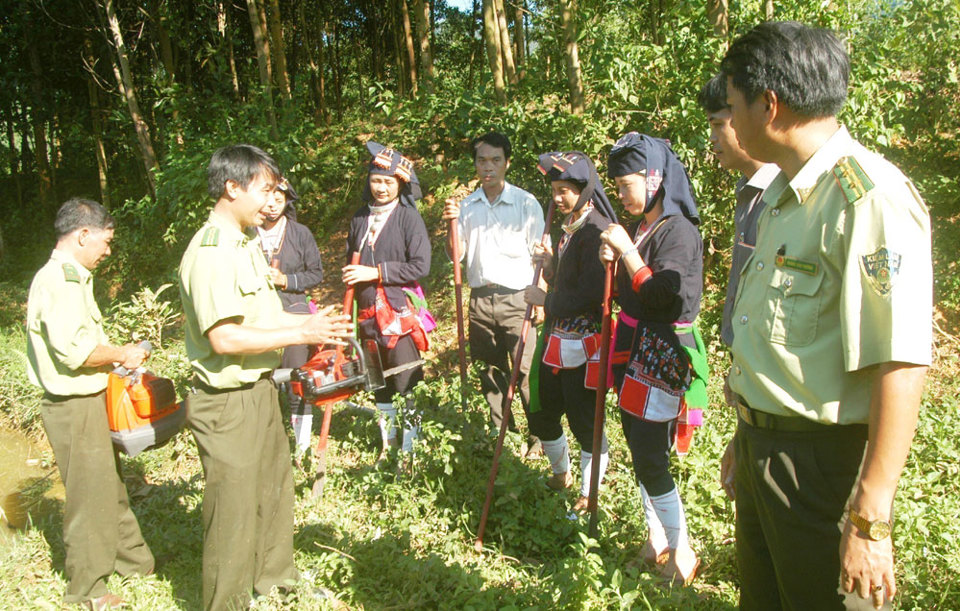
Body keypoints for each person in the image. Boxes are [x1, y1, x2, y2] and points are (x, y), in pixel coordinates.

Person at [720, 22, 931, 610]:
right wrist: (749, 432)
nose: (731, 125)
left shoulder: (867, 199)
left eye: (734, 108)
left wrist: (870, 517)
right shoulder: (784, 198)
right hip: (768, 456)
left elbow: (900, 359)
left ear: (770, 104)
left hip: (823, 468)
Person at [178, 144, 352, 610]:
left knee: (273, 488)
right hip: (225, 400)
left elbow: (267, 313)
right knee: (232, 507)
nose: (272, 200)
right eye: (265, 189)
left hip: (258, 390)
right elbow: (224, 338)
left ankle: (275, 579)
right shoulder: (213, 251)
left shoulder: (243, 243)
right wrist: (302, 328)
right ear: (232, 188)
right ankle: (227, 602)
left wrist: (318, 327)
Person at [26, 198, 154, 610]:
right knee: (87, 498)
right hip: (72, 407)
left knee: (109, 487)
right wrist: (123, 354)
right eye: (106, 240)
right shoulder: (59, 280)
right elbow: (76, 352)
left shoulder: (73, 277)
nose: (108, 250)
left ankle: (135, 563)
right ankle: (86, 590)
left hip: (87, 400)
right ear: (83, 234)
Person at [599, 132, 707, 585]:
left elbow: (665, 295)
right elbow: (634, 288)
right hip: (636, 349)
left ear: (655, 178)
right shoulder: (647, 227)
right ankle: (657, 537)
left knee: (650, 455)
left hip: (663, 355)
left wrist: (625, 252)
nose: (621, 195)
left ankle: (682, 550)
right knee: (641, 449)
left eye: (627, 185)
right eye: (618, 186)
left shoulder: (678, 231)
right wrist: (616, 257)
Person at [697, 73, 780, 499]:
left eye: (718, 123)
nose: (712, 137)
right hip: (753, 400)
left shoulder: (787, 196)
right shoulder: (747, 192)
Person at [522, 151, 617, 511]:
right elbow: (565, 282)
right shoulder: (572, 225)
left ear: (585, 189)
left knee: (583, 419)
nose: (557, 198)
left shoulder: (595, 230)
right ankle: (560, 473)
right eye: (554, 190)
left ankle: (589, 493)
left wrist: (545, 301)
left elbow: (590, 294)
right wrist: (548, 266)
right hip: (557, 338)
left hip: (585, 342)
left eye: (565, 190)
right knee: (543, 409)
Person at [442, 131, 545, 455]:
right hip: (481, 301)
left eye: (495, 160)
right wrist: (450, 223)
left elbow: (540, 252)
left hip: (518, 299)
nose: (488, 167)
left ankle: (541, 437)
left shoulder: (526, 203)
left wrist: (541, 292)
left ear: (507, 163)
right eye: (482, 160)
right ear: (475, 164)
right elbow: (455, 255)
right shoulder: (466, 207)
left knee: (525, 371)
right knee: (489, 372)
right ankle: (504, 436)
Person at [343, 142, 431, 457]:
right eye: (376, 181)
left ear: (400, 184)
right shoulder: (359, 217)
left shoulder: (408, 217)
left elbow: (421, 265)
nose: (381, 188)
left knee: (407, 381)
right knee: (377, 382)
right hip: (365, 314)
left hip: (397, 313)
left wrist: (375, 272)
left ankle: (411, 451)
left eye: (388, 182)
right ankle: (388, 443)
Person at [256, 177, 325, 454]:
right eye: (267, 198)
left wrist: (286, 279)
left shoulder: (300, 233)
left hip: (295, 311)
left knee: (297, 377)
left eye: (279, 199)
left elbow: (316, 273)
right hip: (258, 315)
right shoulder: (246, 234)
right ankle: (268, 440)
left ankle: (302, 446)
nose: (272, 205)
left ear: (287, 201)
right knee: (263, 377)